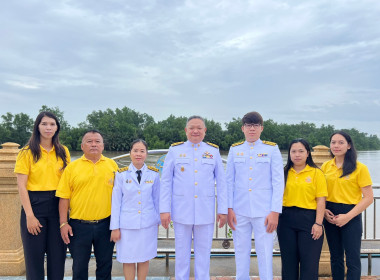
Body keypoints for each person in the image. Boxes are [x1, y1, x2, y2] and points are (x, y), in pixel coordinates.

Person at [160, 115, 227, 280]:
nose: (195, 131)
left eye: (199, 128)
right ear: (186, 130)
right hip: (182, 211)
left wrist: (223, 210)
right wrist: (164, 210)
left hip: (205, 211)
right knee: (181, 254)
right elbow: (166, 182)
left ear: (205, 131)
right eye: (192, 128)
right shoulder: (175, 150)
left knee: (204, 255)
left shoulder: (213, 151)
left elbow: (222, 182)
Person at [226, 111, 284, 280]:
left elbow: (278, 182)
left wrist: (275, 212)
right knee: (240, 252)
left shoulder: (271, 149)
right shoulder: (234, 150)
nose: (252, 129)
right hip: (239, 210)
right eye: (248, 125)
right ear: (243, 128)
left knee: (265, 253)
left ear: (261, 128)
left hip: (264, 212)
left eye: (255, 125)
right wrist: (229, 208)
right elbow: (229, 182)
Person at [14, 111, 70, 280]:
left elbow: (68, 184)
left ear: (57, 128)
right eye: (44, 124)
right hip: (34, 205)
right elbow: (21, 186)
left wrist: (65, 218)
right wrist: (29, 216)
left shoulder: (63, 151)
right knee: (34, 260)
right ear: (37, 126)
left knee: (57, 258)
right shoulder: (26, 152)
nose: (48, 128)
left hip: (57, 206)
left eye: (52, 124)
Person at [56, 129, 118, 280]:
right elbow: (64, 197)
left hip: (105, 224)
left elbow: (120, 197)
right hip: (78, 226)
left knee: (105, 265)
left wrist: (118, 224)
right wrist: (63, 223)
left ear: (103, 146)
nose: (93, 144)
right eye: (89, 141)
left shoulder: (112, 166)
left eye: (97, 141)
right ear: (82, 146)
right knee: (79, 266)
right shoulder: (72, 168)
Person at [322, 131, 373, 280]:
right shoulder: (325, 166)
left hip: (351, 214)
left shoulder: (360, 168)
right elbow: (321, 194)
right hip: (330, 214)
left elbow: (369, 198)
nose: (336, 146)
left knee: (352, 259)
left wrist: (348, 216)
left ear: (349, 145)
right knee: (335, 257)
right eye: (333, 142)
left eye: (341, 142)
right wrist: (324, 209)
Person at [277, 139, 327, 280]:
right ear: (289, 154)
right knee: (288, 263)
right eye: (293, 151)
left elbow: (321, 200)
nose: (297, 155)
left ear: (308, 153)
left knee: (309, 263)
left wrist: (318, 223)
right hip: (286, 219)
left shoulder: (317, 173)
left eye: (301, 151)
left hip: (309, 220)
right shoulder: (284, 172)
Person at [110, 139, 160, 280]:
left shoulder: (154, 174)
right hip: (127, 225)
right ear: (130, 153)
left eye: (142, 151)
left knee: (144, 257)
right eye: (135, 150)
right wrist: (115, 227)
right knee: (128, 258)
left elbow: (157, 200)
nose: (138, 154)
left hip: (148, 223)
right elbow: (116, 202)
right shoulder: (121, 174)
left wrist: (157, 220)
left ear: (146, 154)